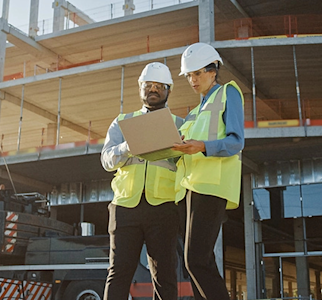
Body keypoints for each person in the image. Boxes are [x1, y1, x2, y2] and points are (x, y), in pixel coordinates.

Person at [101, 62, 186, 300]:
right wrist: (129, 147)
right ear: (140, 88)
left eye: (159, 86)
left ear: (168, 90)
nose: (154, 89)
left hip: (164, 207)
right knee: (118, 274)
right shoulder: (122, 122)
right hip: (126, 207)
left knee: (165, 275)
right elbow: (106, 160)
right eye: (149, 85)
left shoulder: (180, 125)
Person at [172, 43, 244, 300]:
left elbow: (236, 142)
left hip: (212, 185)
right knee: (197, 262)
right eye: (189, 75)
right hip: (189, 189)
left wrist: (202, 146)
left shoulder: (228, 93)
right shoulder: (192, 113)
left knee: (196, 260)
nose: (192, 80)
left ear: (213, 70)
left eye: (198, 73)